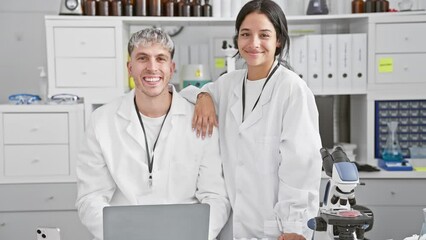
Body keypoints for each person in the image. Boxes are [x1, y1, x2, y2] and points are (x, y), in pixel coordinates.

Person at [180, 0, 322, 239]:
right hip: (234, 226)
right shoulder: (229, 83)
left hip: (278, 229)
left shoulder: (292, 89)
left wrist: (295, 228)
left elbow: (301, 166)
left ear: (278, 41)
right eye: (246, 34)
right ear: (237, 39)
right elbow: (186, 93)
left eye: (264, 35)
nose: (253, 43)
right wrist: (203, 95)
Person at [75, 27, 231, 240]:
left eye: (160, 59)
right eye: (142, 58)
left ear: (172, 67)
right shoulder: (101, 121)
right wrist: (124, 234)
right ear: (130, 67)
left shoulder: (200, 120)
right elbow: (90, 197)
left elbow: (216, 196)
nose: (152, 67)